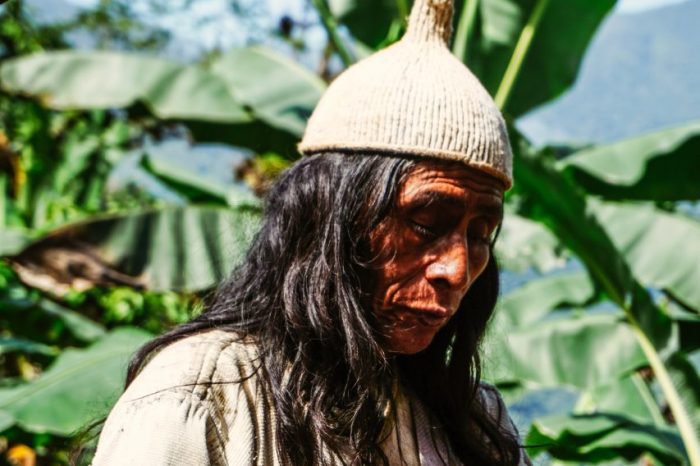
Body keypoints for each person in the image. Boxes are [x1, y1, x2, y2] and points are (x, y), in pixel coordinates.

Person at [91, 0, 532, 464]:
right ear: (328, 217)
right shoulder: (201, 397)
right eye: (423, 223)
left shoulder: (477, 423)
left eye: (481, 234)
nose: (458, 270)